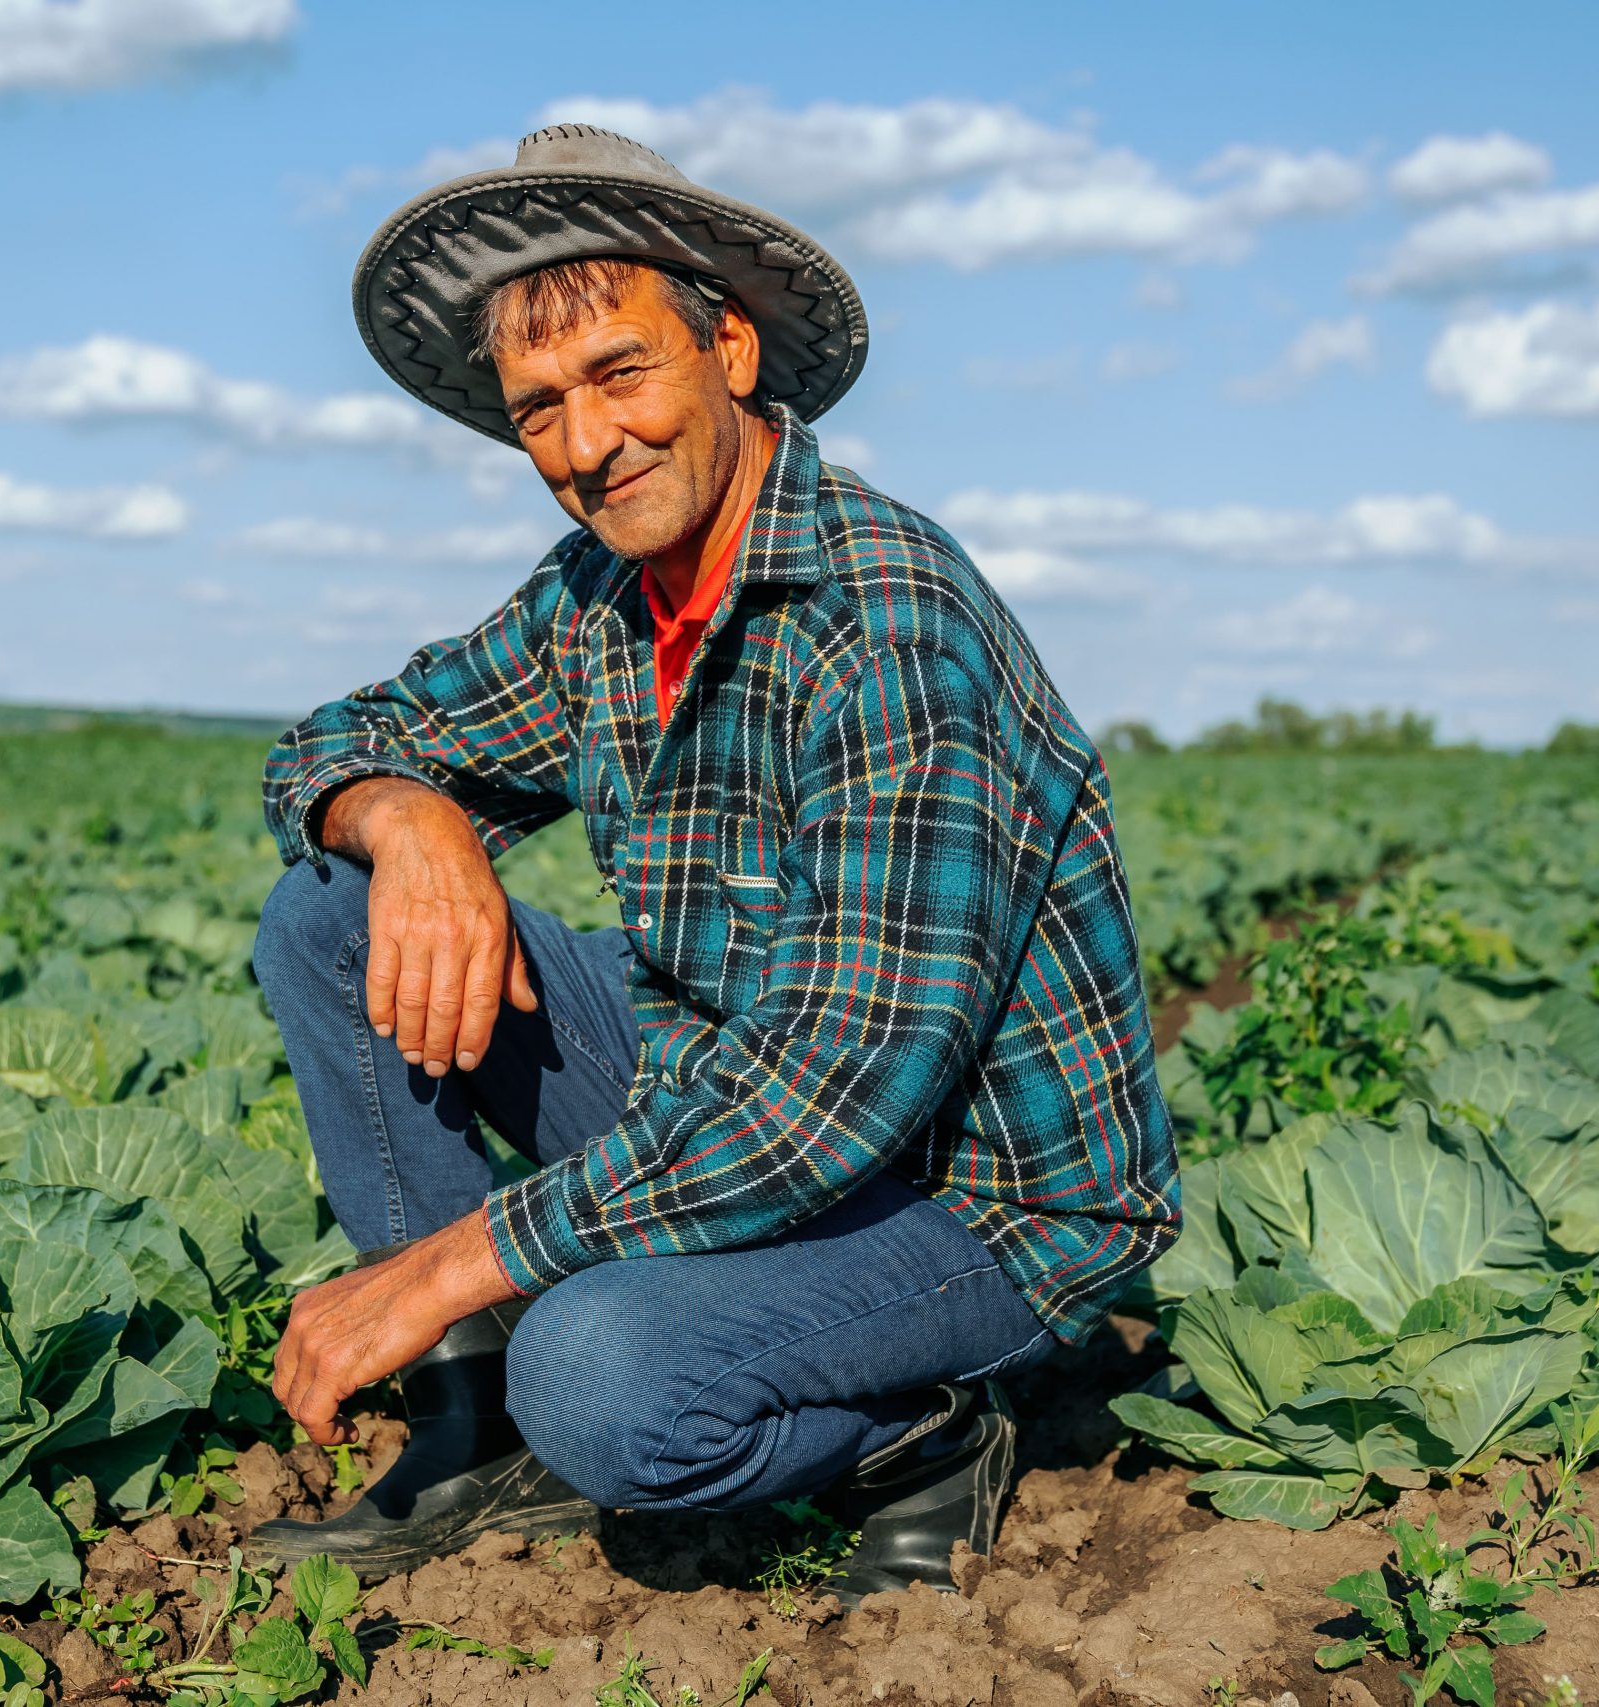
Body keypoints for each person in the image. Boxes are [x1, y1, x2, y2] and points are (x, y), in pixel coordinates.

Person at [246, 124, 1178, 1603]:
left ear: (730, 349)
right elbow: (342, 740)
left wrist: (446, 1265)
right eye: (538, 406)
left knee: (601, 1373)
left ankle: (919, 1434)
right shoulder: (603, 596)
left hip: (969, 1197)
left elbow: (834, 1099)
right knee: (328, 910)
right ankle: (469, 1432)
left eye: (621, 374)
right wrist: (409, 818)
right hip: (726, 1087)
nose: (584, 445)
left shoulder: (886, 622)